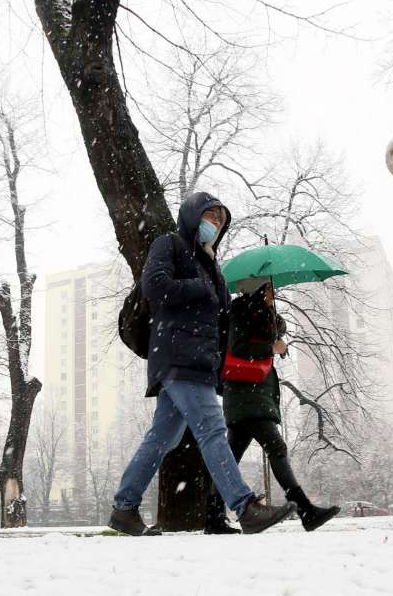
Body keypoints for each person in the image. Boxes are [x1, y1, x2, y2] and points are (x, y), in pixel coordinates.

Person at [108, 192, 296, 536]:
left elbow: (222, 311)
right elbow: (155, 286)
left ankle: (124, 508)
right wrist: (200, 286)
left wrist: (259, 314)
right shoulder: (169, 244)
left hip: (198, 361)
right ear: (193, 216)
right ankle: (244, 506)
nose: (215, 224)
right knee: (211, 428)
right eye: (210, 216)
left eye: (221, 221)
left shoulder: (209, 260)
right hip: (178, 353)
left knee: (162, 438)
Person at [205, 279, 341, 534]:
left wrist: (275, 322)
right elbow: (240, 347)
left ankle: (212, 516)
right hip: (247, 393)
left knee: (230, 457)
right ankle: (305, 510)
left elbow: (272, 332)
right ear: (257, 289)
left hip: (251, 393)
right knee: (276, 447)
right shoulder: (240, 310)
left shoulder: (259, 312)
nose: (273, 292)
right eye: (268, 288)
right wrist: (271, 346)